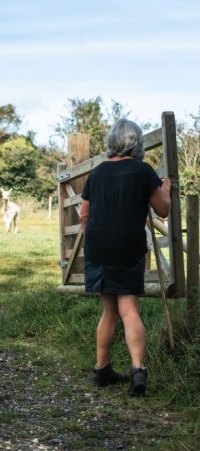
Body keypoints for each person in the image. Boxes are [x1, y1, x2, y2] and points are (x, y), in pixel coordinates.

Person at [79, 118, 171, 397]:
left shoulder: (97, 172)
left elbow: (84, 213)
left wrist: (97, 233)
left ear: (112, 142)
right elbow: (163, 210)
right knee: (129, 310)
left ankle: (101, 370)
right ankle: (138, 372)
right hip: (128, 247)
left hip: (98, 248)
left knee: (108, 310)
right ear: (136, 142)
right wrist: (165, 186)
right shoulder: (142, 171)